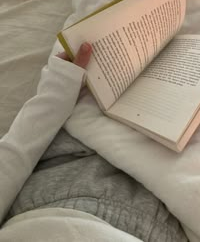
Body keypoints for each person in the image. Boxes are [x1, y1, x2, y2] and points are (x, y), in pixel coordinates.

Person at [0, 42, 142, 241]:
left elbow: (11, 162)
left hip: (54, 183)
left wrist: (58, 88)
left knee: (91, 41)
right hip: (159, 215)